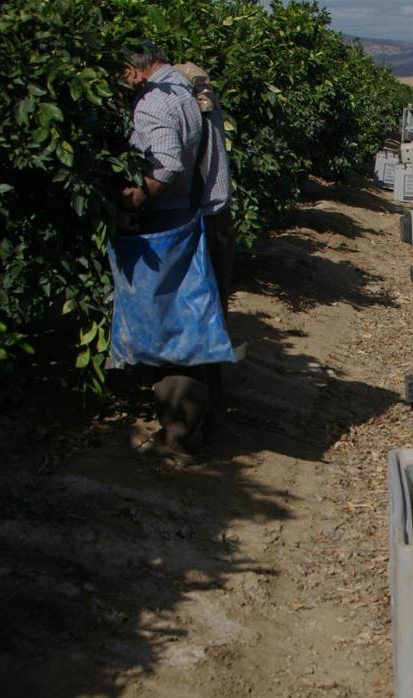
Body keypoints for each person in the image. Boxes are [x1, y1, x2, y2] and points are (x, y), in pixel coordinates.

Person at [117, 40, 226, 464]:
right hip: (210, 221)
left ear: (132, 70)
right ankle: (206, 424)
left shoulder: (154, 104)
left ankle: (180, 440)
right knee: (203, 324)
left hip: (176, 224)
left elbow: (166, 163)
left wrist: (131, 202)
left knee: (175, 330)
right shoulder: (194, 91)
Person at [172, 61, 235, 437]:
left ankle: (190, 427)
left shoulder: (192, 113)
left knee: (192, 327)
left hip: (200, 226)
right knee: (212, 321)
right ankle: (210, 410)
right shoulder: (210, 108)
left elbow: (171, 170)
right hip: (219, 223)